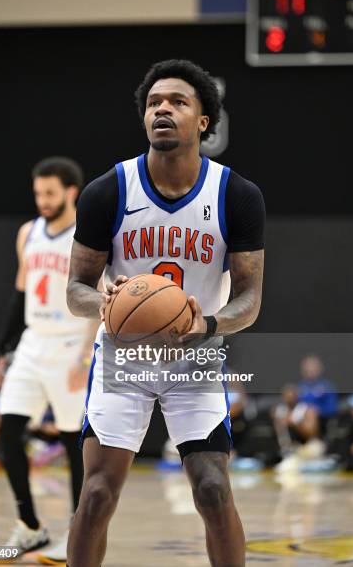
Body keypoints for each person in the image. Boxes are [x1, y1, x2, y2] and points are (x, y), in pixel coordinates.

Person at [66, 60, 265, 567]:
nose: (163, 109)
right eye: (154, 103)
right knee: (95, 496)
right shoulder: (107, 191)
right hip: (123, 360)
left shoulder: (236, 196)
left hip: (193, 361)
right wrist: (107, 306)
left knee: (214, 491)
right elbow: (76, 289)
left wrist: (209, 325)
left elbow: (249, 299)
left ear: (203, 120)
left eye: (177, 102)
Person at [0, 157, 99, 563]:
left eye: (50, 193)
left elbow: (98, 299)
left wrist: (86, 354)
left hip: (72, 344)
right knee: (7, 430)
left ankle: (77, 533)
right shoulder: (27, 233)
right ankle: (30, 527)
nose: (42, 200)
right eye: (38, 193)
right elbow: (20, 295)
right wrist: (0, 350)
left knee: (73, 444)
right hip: (33, 343)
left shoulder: (86, 236)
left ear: (70, 192)